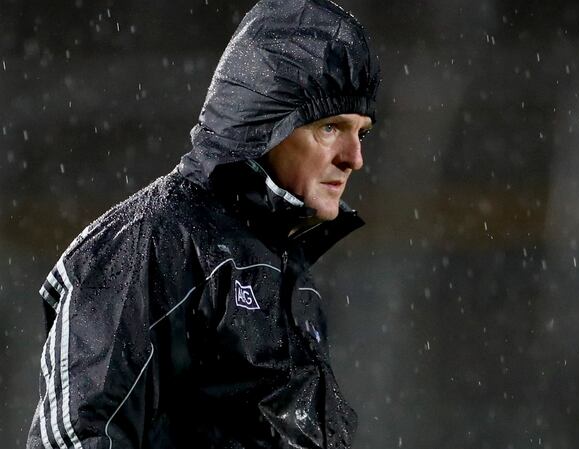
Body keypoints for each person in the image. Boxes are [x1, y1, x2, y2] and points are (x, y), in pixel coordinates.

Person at [26, 0, 380, 447]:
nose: (354, 158)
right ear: (263, 123)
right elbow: (81, 435)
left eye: (361, 132)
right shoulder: (155, 240)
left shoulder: (284, 270)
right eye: (331, 127)